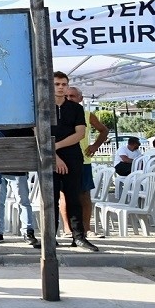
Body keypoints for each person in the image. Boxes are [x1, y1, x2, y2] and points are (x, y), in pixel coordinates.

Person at [52, 72, 98, 251]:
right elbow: (37, 133)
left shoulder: (76, 108)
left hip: (73, 157)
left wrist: (56, 146)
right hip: (49, 158)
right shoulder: (42, 107)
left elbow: (80, 133)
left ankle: (79, 237)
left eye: (64, 84)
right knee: (50, 200)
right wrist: (54, 155)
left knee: (74, 198)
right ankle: (50, 238)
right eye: (57, 84)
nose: (61, 87)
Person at [63, 86, 108, 238]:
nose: (69, 98)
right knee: (64, 195)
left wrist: (95, 145)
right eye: (67, 96)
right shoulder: (59, 113)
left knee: (84, 195)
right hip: (64, 160)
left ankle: (87, 228)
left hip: (83, 160)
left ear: (81, 99)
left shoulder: (88, 115)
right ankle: (68, 230)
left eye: (73, 96)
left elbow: (104, 130)